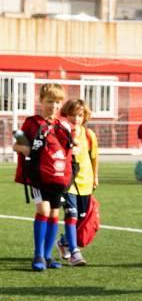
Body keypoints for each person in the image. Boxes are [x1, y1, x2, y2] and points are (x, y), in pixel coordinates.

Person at [13, 83, 69, 271]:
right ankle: (38, 254)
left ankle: (47, 255)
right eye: (49, 101)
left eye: (57, 102)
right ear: (41, 101)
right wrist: (27, 149)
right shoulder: (32, 122)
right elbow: (17, 145)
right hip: (37, 176)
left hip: (56, 177)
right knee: (43, 211)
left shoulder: (61, 125)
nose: (53, 106)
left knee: (54, 213)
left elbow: (68, 150)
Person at [58, 99, 98, 266]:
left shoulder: (89, 135)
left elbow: (94, 157)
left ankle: (64, 242)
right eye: (73, 115)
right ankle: (75, 252)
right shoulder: (61, 133)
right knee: (71, 215)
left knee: (81, 217)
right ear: (66, 115)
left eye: (80, 115)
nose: (76, 118)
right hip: (68, 182)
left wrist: (95, 176)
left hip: (85, 182)